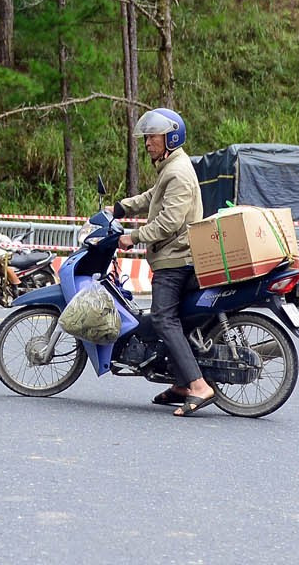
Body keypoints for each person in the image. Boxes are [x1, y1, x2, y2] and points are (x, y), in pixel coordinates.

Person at [114, 107, 211, 416]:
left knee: (162, 319)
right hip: (172, 255)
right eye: (146, 138)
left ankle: (198, 386)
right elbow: (151, 196)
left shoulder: (178, 171)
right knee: (172, 320)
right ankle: (182, 384)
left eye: (152, 137)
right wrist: (120, 208)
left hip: (176, 259)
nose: (147, 143)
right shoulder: (170, 167)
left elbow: (169, 221)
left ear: (171, 137)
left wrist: (134, 236)